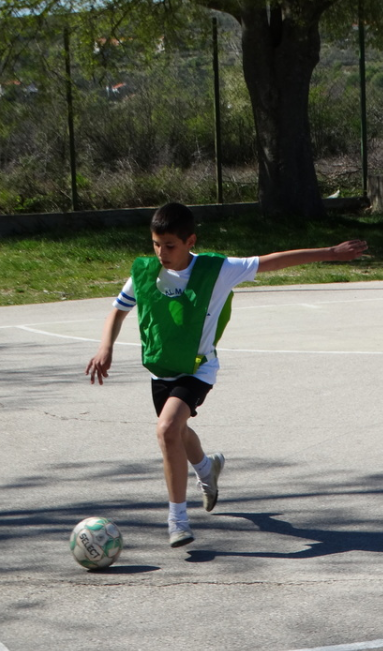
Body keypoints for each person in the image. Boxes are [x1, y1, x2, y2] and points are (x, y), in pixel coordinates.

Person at [86, 202, 368, 548]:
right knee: (177, 430)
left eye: (170, 245)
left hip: (198, 368)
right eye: (156, 244)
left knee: (167, 429)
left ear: (191, 241)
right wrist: (106, 347)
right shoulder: (144, 273)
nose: (162, 253)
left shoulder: (217, 270)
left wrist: (331, 253)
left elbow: (272, 260)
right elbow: (117, 312)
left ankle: (177, 519)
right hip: (162, 369)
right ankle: (207, 468)